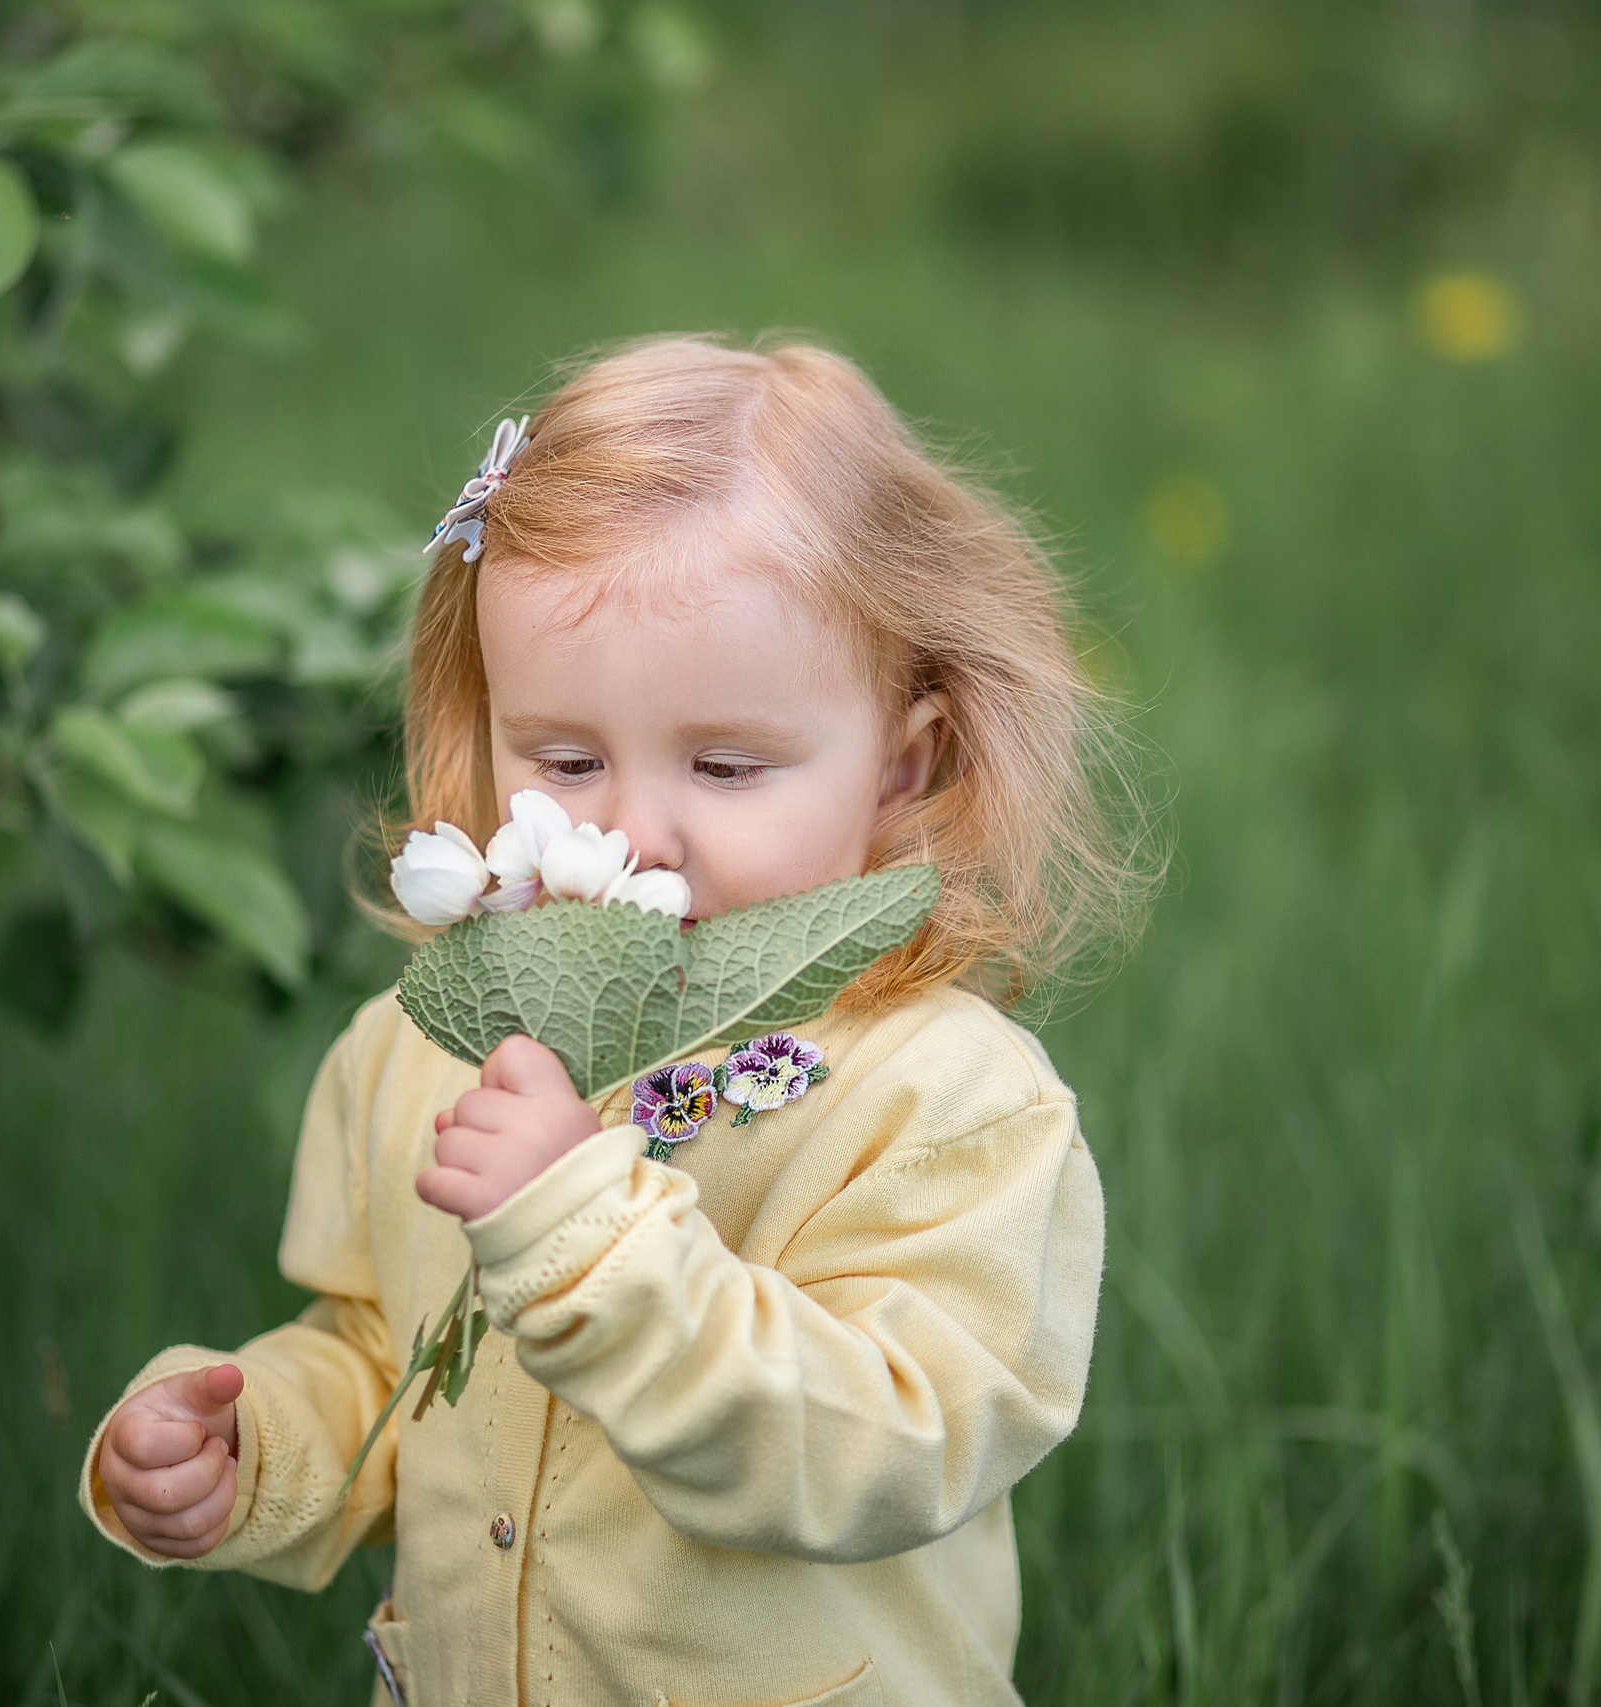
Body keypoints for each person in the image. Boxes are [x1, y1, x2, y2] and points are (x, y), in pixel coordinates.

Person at [77, 334, 1149, 1706]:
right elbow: (382, 1358)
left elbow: (893, 1441)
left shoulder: (942, 1104)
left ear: (905, 757)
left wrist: (584, 1240)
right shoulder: (428, 1049)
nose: (635, 831)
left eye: (726, 764)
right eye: (566, 758)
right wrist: (250, 1446)